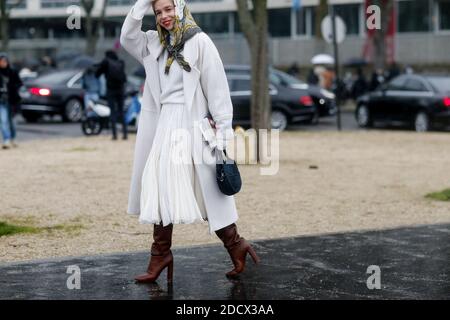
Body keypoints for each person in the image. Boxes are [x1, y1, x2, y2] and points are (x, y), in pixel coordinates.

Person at [120, 0, 260, 283]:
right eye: (158, 12)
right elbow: (126, 37)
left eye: (168, 9)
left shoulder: (200, 41)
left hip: (192, 126)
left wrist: (223, 136)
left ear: (180, 7)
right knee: (161, 187)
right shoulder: (153, 44)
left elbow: (218, 90)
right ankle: (162, 254)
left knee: (205, 191)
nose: (164, 16)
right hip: (164, 124)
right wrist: (144, 2)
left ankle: (235, 245)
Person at [96, 50, 128, 140]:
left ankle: (114, 135)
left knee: (112, 112)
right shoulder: (120, 62)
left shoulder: (106, 62)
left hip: (111, 90)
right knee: (121, 111)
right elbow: (124, 78)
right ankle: (125, 134)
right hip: (120, 90)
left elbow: (97, 74)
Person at [0, 53, 22, 149]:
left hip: (11, 100)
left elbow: (19, 83)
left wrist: (12, 88)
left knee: (11, 121)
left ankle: (12, 138)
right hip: (1, 100)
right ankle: (6, 139)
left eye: (4, 61)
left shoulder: (13, 72)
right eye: (1, 61)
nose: (3, 63)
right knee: (3, 120)